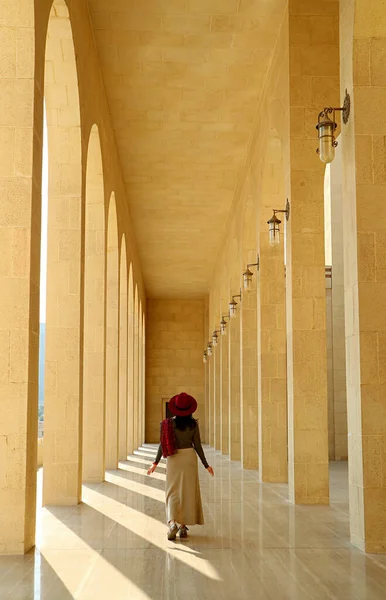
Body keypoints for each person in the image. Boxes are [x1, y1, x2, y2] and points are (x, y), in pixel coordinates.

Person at [147, 392, 214, 540]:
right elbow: (197, 445)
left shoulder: (167, 424)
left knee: (172, 492)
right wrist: (206, 465)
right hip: (189, 459)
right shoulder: (193, 424)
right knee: (188, 492)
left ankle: (172, 523)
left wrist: (155, 463)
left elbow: (162, 444)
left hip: (174, 459)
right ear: (190, 409)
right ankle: (183, 526)